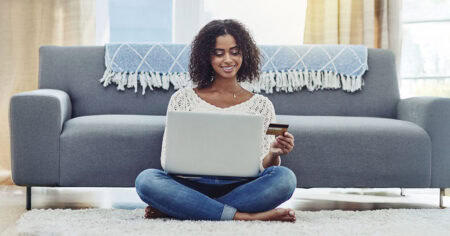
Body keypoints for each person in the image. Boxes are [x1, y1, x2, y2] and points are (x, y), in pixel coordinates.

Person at [135, 19, 297, 222]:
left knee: (285, 178)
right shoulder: (182, 99)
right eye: (219, 53)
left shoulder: (263, 105)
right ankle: (242, 216)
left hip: (241, 186)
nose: (228, 60)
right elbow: (167, 159)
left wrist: (274, 152)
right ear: (206, 57)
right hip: (189, 184)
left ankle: (186, 208)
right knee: (146, 180)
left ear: (244, 54)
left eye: (235, 52)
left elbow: (265, 166)